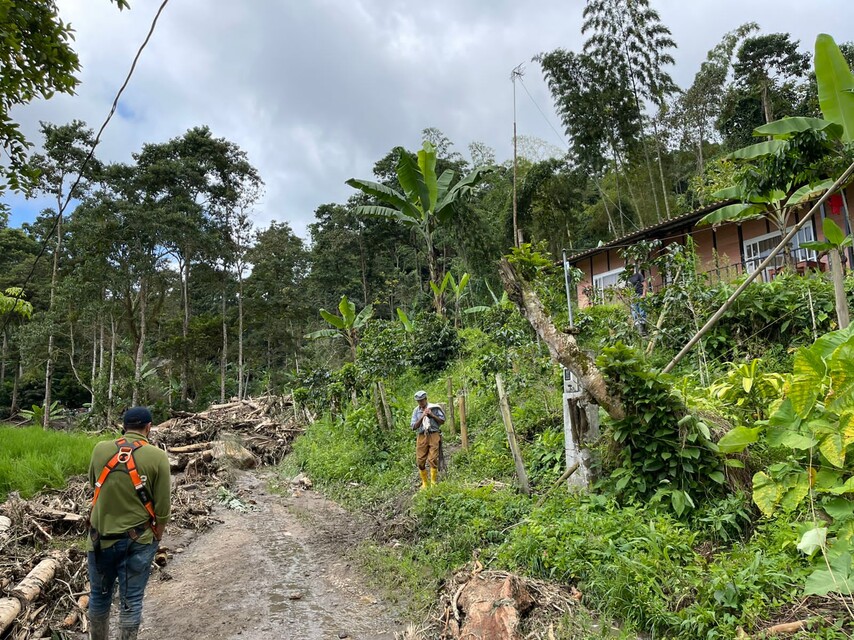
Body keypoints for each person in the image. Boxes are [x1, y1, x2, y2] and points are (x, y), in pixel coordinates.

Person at [87, 407, 171, 640]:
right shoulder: (157, 456)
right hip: (138, 540)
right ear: (148, 427)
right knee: (131, 601)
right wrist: (157, 536)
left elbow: (93, 484)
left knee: (99, 596)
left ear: (123, 427)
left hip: (99, 540)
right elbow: (163, 508)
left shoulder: (99, 449)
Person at [410, 390, 445, 489]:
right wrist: (422, 417)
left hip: (433, 434)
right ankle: (425, 483)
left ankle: (433, 482)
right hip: (422, 436)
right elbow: (413, 426)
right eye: (419, 401)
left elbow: (442, 421)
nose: (421, 403)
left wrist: (432, 415)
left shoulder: (434, 408)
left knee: (432, 458)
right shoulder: (416, 411)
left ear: (426, 399)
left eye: (422, 400)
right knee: (420, 460)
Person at [628, 264, 647, 334]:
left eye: (631, 268)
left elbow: (644, 284)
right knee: (635, 313)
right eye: (628, 268)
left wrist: (644, 294)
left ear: (633, 268)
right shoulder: (627, 278)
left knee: (642, 311)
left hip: (640, 295)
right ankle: (639, 331)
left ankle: (643, 330)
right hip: (633, 297)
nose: (630, 270)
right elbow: (627, 288)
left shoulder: (638, 275)